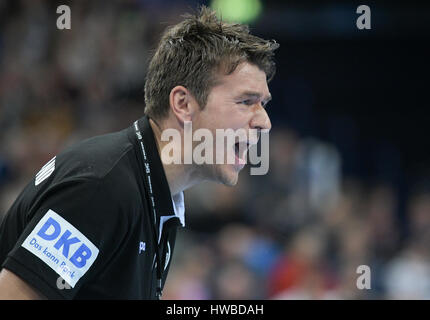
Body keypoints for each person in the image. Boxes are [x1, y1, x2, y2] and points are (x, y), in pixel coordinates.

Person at [0, 6, 278, 299]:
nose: (264, 121)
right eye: (247, 101)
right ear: (183, 104)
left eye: (263, 104)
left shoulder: (154, 198)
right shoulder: (103, 187)